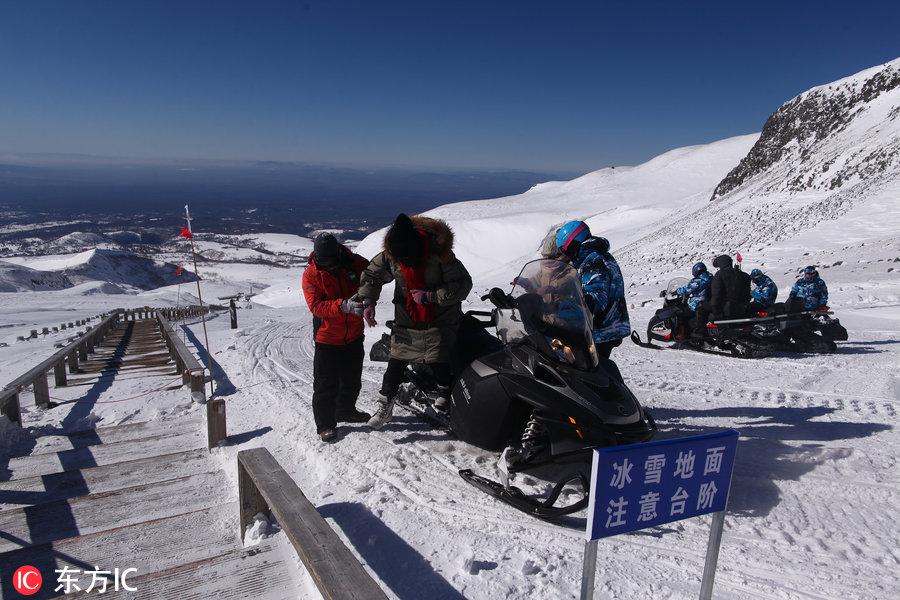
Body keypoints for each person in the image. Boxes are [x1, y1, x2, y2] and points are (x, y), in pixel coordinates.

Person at [356, 213, 473, 429]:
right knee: (396, 363)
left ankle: (446, 395)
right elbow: (372, 275)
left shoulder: (440, 254)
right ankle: (385, 406)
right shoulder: (392, 254)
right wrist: (368, 300)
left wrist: (430, 296)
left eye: (407, 257)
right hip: (407, 318)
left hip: (439, 318)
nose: (404, 261)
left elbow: (462, 285)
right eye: (399, 258)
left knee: (439, 358)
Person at [301, 233, 371, 442]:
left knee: (351, 379)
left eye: (331, 261)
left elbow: (372, 277)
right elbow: (316, 306)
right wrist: (343, 306)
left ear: (338, 253)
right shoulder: (311, 274)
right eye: (323, 262)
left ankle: (346, 410)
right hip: (327, 337)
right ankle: (325, 424)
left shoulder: (354, 263)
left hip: (354, 334)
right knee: (325, 383)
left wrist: (369, 298)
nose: (328, 266)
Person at [555, 220, 630, 360]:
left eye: (565, 250)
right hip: (610, 324)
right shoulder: (599, 256)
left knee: (588, 372)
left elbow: (596, 297)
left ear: (574, 243)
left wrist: (566, 309)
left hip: (602, 329)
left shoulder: (592, 261)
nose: (567, 255)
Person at [694, 254, 751, 335]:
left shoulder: (720, 275)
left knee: (701, 306)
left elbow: (716, 294)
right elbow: (747, 294)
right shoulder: (743, 274)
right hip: (741, 307)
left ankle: (701, 331)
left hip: (725, 307)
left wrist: (715, 309)